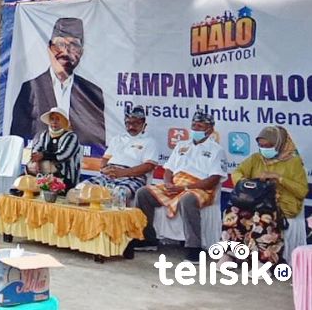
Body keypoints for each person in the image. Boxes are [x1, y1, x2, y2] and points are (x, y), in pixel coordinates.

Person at [132, 110, 226, 262]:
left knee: (187, 199)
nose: (195, 129)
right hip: (176, 185)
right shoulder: (182, 145)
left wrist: (185, 188)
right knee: (143, 193)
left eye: (200, 126)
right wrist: (168, 183)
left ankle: (194, 248)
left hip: (200, 188)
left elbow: (214, 180)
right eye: (194, 125)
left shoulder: (216, 150)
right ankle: (147, 239)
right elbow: (169, 169)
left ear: (209, 129)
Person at [10, 17, 105, 150]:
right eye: (60, 44)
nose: (65, 52)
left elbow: (96, 143)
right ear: (49, 48)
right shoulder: (31, 88)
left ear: (81, 52)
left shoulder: (92, 93)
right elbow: (17, 139)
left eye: (73, 45)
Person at [221, 126, 308, 264]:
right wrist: (245, 183)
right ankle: (231, 253)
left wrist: (279, 178)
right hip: (256, 201)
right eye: (261, 146)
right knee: (232, 211)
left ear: (279, 144)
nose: (264, 149)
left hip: (281, 204)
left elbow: (302, 191)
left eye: (268, 146)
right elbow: (237, 172)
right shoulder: (256, 158)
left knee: (264, 217)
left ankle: (264, 261)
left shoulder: (294, 162)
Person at [88, 105, 159, 203]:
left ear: (144, 125)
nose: (131, 126)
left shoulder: (150, 142)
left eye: (136, 123)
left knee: (118, 194)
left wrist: (123, 172)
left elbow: (148, 166)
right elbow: (105, 159)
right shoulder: (117, 139)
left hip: (133, 178)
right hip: (109, 175)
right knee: (82, 189)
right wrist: (104, 169)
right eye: (128, 123)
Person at [26, 106, 81, 191]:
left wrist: (43, 156)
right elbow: (36, 149)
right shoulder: (45, 134)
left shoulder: (72, 137)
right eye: (52, 119)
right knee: (25, 178)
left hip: (65, 178)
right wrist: (36, 160)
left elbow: (63, 155)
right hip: (43, 176)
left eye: (58, 119)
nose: (54, 122)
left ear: (63, 121)